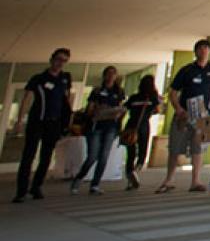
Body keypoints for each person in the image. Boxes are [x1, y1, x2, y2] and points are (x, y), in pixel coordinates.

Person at [156, 39, 210, 193]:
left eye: (206, 47)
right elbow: (172, 93)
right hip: (184, 113)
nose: (204, 50)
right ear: (196, 51)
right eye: (200, 48)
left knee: (199, 149)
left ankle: (195, 181)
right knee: (175, 147)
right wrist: (178, 109)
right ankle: (169, 179)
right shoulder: (186, 70)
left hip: (204, 115)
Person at [10, 48, 73, 203]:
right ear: (52, 59)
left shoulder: (64, 79)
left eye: (64, 60)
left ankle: (36, 186)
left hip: (54, 123)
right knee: (28, 156)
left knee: (46, 157)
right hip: (37, 121)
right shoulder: (38, 79)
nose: (60, 63)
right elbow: (27, 98)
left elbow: (66, 100)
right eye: (58, 59)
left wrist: (67, 121)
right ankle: (21, 191)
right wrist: (19, 121)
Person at [71, 66, 126, 195]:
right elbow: (90, 109)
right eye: (109, 73)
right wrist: (97, 110)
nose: (111, 76)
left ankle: (95, 184)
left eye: (114, 74)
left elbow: (121, 108)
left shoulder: (119, 91)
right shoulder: (97, 91)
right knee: (92, 156)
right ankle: (79, 178)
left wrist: (118, 115)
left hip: (111, 127)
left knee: (104, 156)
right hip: (96, 126)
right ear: (104, 75)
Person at [122, 75, 164, 190]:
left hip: (130, 125)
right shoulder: (152, 98)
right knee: (142, 152)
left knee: (130, 154)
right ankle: (135, 171)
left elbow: (124, 109)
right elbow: (158, 109)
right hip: (143, 126)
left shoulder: (134, 97)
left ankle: (130, 175)